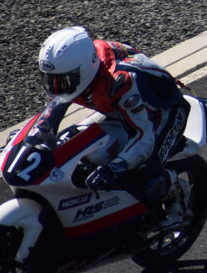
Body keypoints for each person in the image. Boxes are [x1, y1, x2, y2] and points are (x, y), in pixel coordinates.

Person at [29, 26, 191, 228]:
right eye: (49, 79)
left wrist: (115, 167)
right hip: (119, 110)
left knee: (144, 176)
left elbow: (144, 137)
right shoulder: (79, 69)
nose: (55, 87)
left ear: (84, 71)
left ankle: (175, 193)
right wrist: (31, 138)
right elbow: (53, 112)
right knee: (71, 144)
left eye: (63, 81)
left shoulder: (120, 82)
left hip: (163, 112)